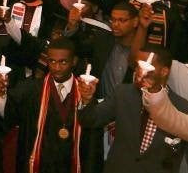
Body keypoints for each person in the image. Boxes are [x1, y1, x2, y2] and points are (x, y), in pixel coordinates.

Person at [0, 37, 101, 173]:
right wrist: (0, 93)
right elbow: (8, 115)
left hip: (71, 166)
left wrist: (87, 102)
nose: (57, 68)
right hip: (39, 166)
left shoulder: (85, 94)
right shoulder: (32, 90)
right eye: (52, 61)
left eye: (63, 62)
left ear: (74, 61)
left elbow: (92, 144)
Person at [78, 45, 188, 173]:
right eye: (137, 66)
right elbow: (90, 119)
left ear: (164, 71)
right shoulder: (123, 94)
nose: (139, 72)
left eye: (146, 67)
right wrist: (86, 99)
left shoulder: (182, 108)